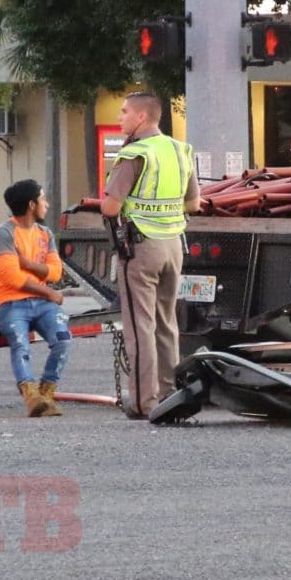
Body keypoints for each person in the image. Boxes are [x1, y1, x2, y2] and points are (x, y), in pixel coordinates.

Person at [100, 91, 200, 418]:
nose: (120, 117)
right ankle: (170, 394)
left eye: (125, 111)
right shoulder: (180, 150)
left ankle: (145, 402)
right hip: (174, 246)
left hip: (141, 248)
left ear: (141, 117)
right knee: (166, 324)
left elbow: (110, 206)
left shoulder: (136, 154)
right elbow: (193, 204)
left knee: (140, 326)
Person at [0, 178, 70, 418]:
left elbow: (56, 272)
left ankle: (46, 393)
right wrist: (48, 291)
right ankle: (31, 395)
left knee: (63, 341)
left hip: (43, 304)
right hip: (11, 303)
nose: (46, 203)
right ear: (31, 205)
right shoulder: (3, 234)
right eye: (43, 198)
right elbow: (13, 278)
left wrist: (27, 263)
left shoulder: (45, 234)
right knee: (20, 344)